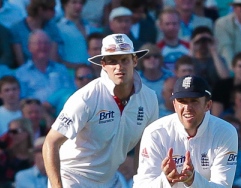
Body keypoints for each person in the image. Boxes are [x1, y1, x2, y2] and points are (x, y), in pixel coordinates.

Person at [42, 33, 159, 187]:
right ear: (103, 64)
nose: (119, 67)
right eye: (112, 61)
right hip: (72, 178)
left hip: (110, 180)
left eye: (124, 60)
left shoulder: (150, 98)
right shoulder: (86, 97)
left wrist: (141, 182)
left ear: (135, 60)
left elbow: (145, 147)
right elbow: (50, 142)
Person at [133, 75, 238, 187]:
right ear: (174, 104)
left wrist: (192, 180)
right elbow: (142, 185)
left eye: (194, 101)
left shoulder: (224, 132)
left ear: (208, 105)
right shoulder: (155, 132)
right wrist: (166, 180)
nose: (187, 108)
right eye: (182, 101)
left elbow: (222, 186)